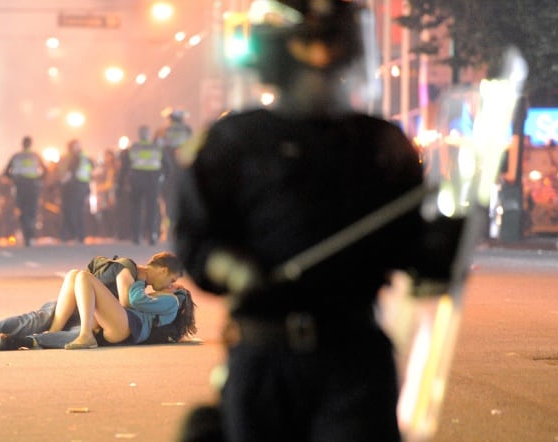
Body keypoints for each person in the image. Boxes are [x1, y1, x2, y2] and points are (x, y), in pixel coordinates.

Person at [174, 1, 460, 441]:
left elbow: (412, 252)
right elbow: (198, 242)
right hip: (265, 356)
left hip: (355, 357)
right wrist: (235, 269)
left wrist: (443, 245)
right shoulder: (234, 142)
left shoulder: (380, 145)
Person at [0, 252, 195, 351]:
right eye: (172, 279)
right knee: (70, 281)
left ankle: (69, 333)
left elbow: (128, 303)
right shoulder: (128, 269)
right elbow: (127, 300)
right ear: (162, 270)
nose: (170, 286)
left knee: (40, 317)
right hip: (89, 312)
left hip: (97, 316)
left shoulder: (161, 296)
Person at [121, 125, 164, 245]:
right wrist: (163, 178)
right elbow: (167, 165)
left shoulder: (134, 147)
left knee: (136, 209)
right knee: (152, 209)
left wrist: (122, 183)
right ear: (149, 134)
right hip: (153, 181)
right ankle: (151, 235)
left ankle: (136, 236)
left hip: (137, 180)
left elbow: (124, 167)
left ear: (139, 134)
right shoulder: (156, 147)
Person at [5, 136, 46, 247]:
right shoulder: (35, 156)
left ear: (22, 144)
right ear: (31, 144)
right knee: (32, 210)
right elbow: (45, 170)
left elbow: (6, 172)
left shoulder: (16, 156)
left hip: (20, 185)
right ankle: (31, 236)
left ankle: (27, 236)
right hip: (33, 185)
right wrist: (39, 179)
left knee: (23, 211)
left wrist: (14, 178)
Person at [158, 108, 193, 231]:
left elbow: (157, 149)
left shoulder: (164, 131)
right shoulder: (187, 130)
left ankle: (170, 227)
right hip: (184, 170)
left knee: (168, 199)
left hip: (168, 172)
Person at [59, 139, 93, 243]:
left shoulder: (75, 157)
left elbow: (70, 172)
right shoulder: (85, 157)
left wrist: (60, 182)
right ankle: (80, 235)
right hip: (84, 185)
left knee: (71, 211)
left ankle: (73, 234)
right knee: (80, 211)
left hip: (74, 186)